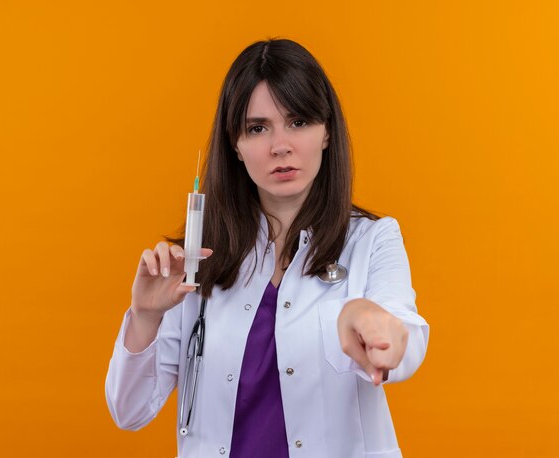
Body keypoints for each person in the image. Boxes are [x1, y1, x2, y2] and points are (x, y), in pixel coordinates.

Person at [105, 38, 429, 458]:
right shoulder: (194, 260)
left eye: (298, 122)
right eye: (257, 128)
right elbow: (128, 412)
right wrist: (146, 318)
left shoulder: (372, 240)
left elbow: (404, 338)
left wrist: (371, 323)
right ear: (235, 146)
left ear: (327, 131)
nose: (280, 145)